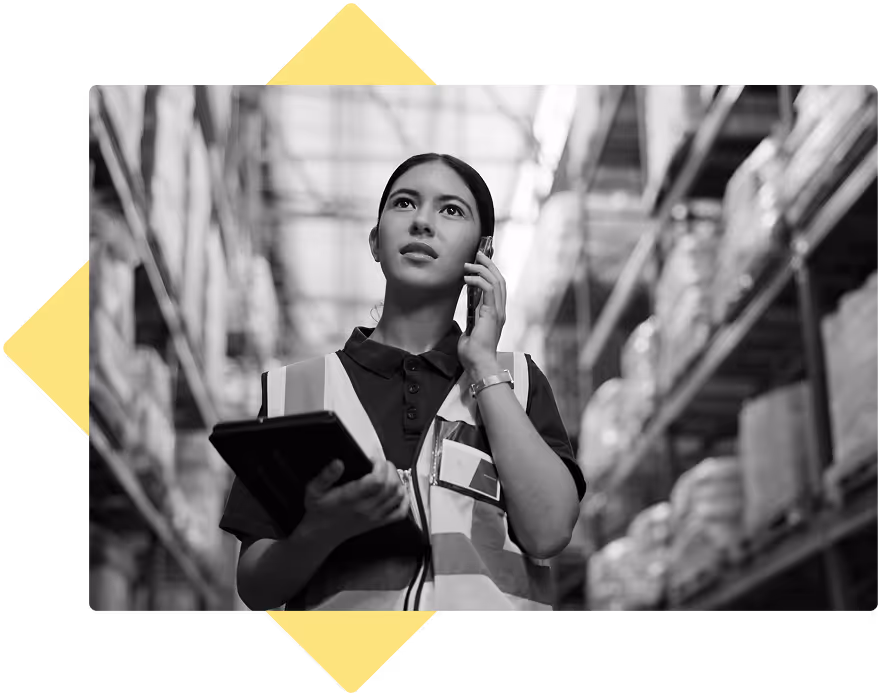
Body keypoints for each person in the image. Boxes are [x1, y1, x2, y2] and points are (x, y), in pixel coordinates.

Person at [219, 153, 587, 611]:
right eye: (404, 203)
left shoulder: (518, 382)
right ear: (376, 242)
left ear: (483, 254)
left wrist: (482, 366)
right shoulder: (294, 392)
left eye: (451, 209)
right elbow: (254, 587)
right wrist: (321, 531)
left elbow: (550, 531)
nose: (422, 222)